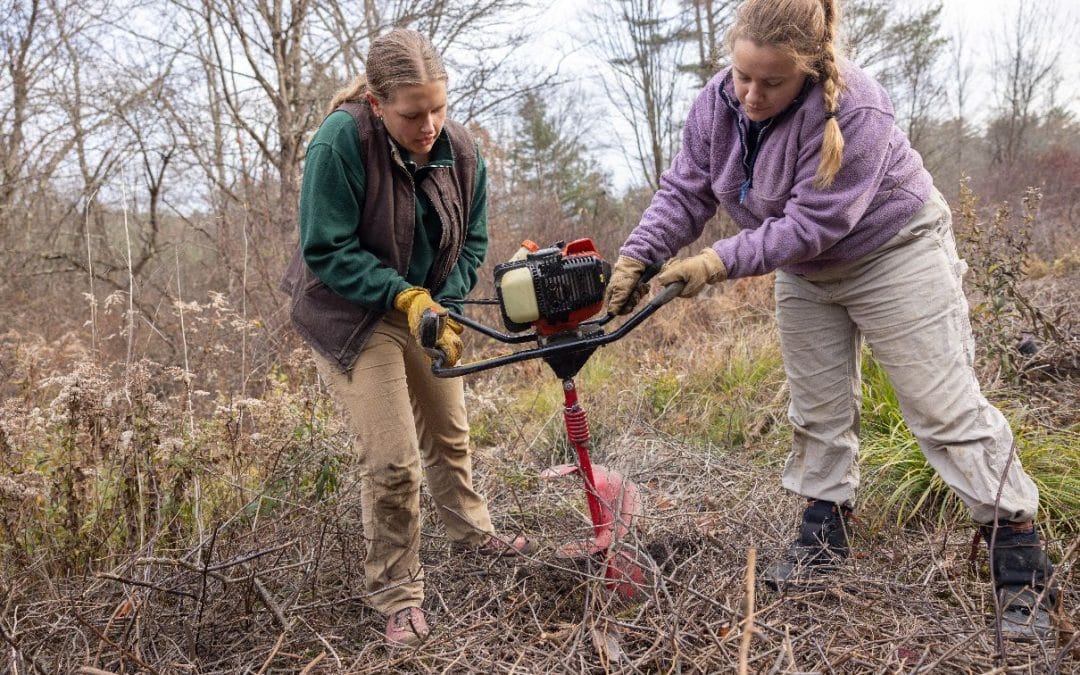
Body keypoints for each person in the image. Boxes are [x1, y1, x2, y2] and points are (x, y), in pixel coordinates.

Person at [605, 0, 1058, 639]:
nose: (751, 95)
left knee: (942, 408)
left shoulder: (857, 109)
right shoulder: (717, 102)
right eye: (742, 76)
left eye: (772, 82)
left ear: (810, 68)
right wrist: (639, 253)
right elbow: (687, 188)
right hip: (805, 269)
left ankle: (1020, 560)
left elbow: (814, 224)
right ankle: (824, 534)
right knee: (817, 407)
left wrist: (715, 261)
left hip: (893, 250)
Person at [280, 28, 533, 648]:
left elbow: (472, 241)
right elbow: (325, 248)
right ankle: (397, 593)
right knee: (394, 463)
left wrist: (444, 302)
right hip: (352, 313)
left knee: (450, 433)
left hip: (425, 306)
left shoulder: (461, 151)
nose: (429, 125)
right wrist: (402, 295)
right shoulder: (340, 142)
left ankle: (472, 535)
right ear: (376, 103)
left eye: (438, 108)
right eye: (413, 115)